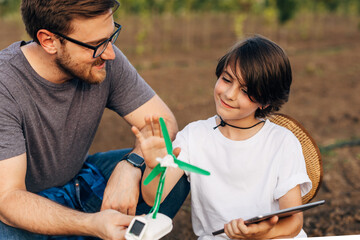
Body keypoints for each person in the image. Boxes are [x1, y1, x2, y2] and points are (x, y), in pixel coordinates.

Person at [0, 0, 190, 239]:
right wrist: (90, 224)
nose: (110, 53)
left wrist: (131, 165)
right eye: (96, 44)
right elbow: (8, 200)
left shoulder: (105, 58)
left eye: (111, 37)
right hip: (22, 208)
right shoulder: (5, 85)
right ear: (49, 41)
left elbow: (163, 122)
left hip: (78, 181)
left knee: (172, 176)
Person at [132, 35, 312, 239]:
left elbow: (293, 223)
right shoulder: (195, 136)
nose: (229, 94)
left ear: (265, 101)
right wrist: (153, 164)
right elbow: (152, 196)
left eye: (245, 91)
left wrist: (261, 234)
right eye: (226, 79)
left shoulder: (282, 142)